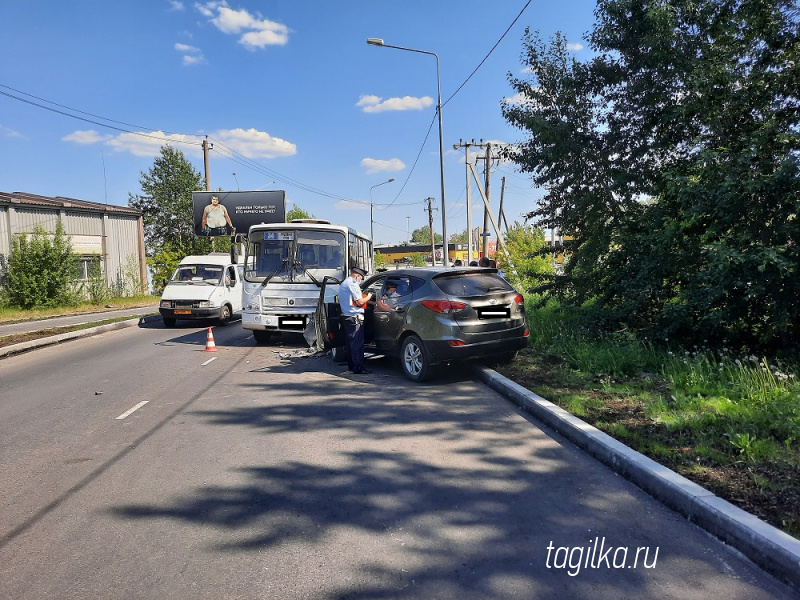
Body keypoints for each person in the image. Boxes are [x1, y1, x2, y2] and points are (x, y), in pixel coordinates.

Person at [339, 266, 373, 374]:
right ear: (357, 275)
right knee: (357, 344)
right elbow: (359, 302)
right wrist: (369, 296)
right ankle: (358, 368)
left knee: (351, 343)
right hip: (355, 318)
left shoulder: (344, 283)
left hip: (347, 316)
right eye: (361, 278)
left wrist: (372, 303)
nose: (361, 280)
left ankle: (352, 366)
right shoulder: (353, 284)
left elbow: (352, 301)